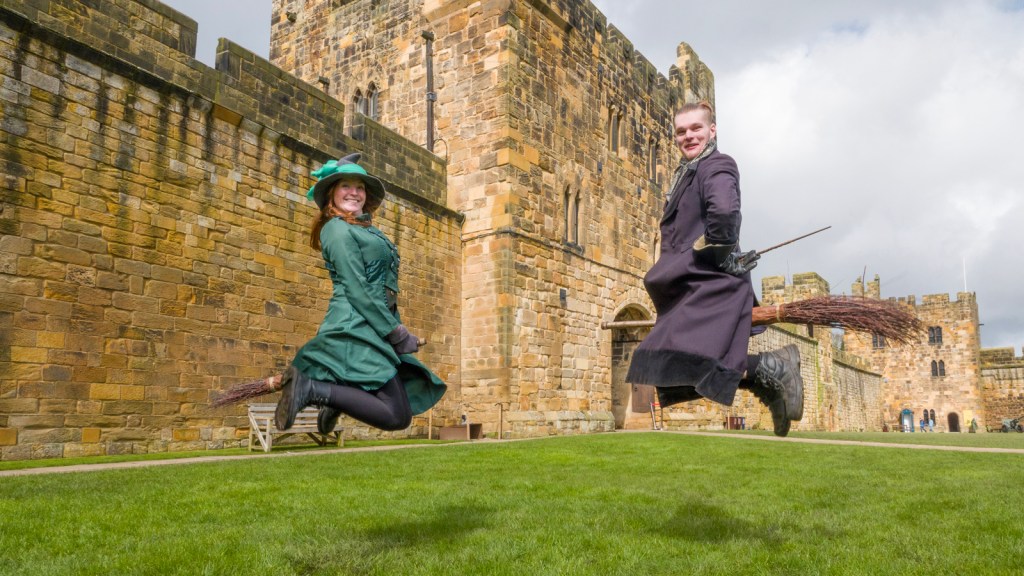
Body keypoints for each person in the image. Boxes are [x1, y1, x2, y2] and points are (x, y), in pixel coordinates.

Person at [625, 102, 804, 437]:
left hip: (712, 281)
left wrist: (722, 255)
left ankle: (773, 370)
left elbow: (723, 212)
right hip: (688, 282)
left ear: (712, 130)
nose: (688, 136)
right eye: (681, 131)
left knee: (662, 362)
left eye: (696, 128)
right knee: (664, 369)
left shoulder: (717, 165)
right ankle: (769, 374)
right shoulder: (688, 172)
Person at [274, 153, 446, 433]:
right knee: (396, 416)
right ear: (332, 193)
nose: (354, 192)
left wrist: (393, 329)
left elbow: (381, 288)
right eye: (346, 185)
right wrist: (396, 333)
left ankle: (335, 394)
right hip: (354, 326)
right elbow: (356, 287)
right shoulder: (336, 229)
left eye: (360, 187)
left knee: (399, 412)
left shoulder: (366, 229)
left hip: (372, 326)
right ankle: (312, 390)